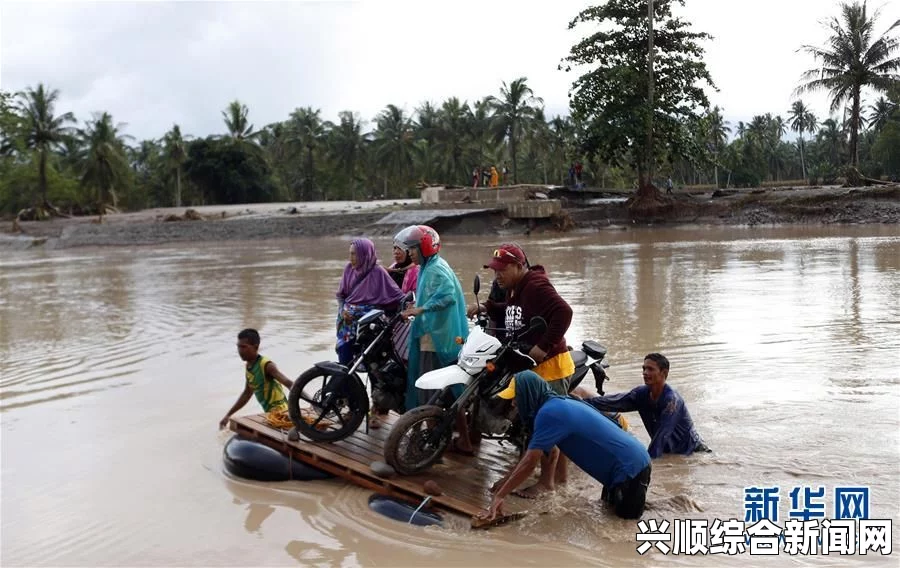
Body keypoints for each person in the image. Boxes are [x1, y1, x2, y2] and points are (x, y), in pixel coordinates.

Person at [463, 243, 575, 495]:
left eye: (502, 270)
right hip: (533, 366)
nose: (497, 275)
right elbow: (517, 312)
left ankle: (546, 484)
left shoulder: (535, 285)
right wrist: (487, 307)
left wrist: (543, 346)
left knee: (545, 424)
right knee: (541, 423)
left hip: (550, 367)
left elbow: (564, 312)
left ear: (518, 266)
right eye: (494, 271)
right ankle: (560, 479)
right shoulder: (516, 288)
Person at [478, 372, 652, 522]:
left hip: (630, 469)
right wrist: (506, 483)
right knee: (610, 517)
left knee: (625, 529)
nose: (514, 403)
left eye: (517, 397)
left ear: (529, 394)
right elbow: (542, 454)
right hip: (625, 467)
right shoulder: (557, 402)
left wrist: (500, 495)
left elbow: (530, 463)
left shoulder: (549, 413)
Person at [395, 225, 468, 411]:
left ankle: (430, 425)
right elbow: (433, 295)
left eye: (412, 248)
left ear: (425, 247)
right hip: (436, 333)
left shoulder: (435, 269)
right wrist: (417, 306)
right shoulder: (430, 266)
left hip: (436, 338)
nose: (409, 252)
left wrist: (421, 309)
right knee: (440, 384)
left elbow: (448, 296)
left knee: (430, 384)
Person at [583, 353, 710, 459]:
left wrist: (648, 465)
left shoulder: (671, 401)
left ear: (664, 373)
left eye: (650, 369)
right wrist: (581, 402)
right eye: (644, 368)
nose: (645, 372)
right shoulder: (641, 394)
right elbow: (611, 402)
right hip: (669, 452)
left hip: (693, 453)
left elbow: (661, 437)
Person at [335, 238, 405, 366]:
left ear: (364, 254)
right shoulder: (348, 269)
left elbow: (399, 297)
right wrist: (343, 310)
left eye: (354, 254)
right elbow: (341, 296)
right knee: (344, 358)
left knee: (372, 358)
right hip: (347, 322)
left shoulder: (378, 272)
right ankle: (346, 384)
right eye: (350, 253)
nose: (351, 258)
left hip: (369, 325)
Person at [219, 329, 295, 429]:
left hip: (281, 415)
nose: (240, 351)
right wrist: (228, 415)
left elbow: (290, 384)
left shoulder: (267, 365)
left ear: (256, 347)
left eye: (244, 347)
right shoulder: (249, 367)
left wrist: (311, 402)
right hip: (270, 416)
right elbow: (247, 394)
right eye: (238, 346)